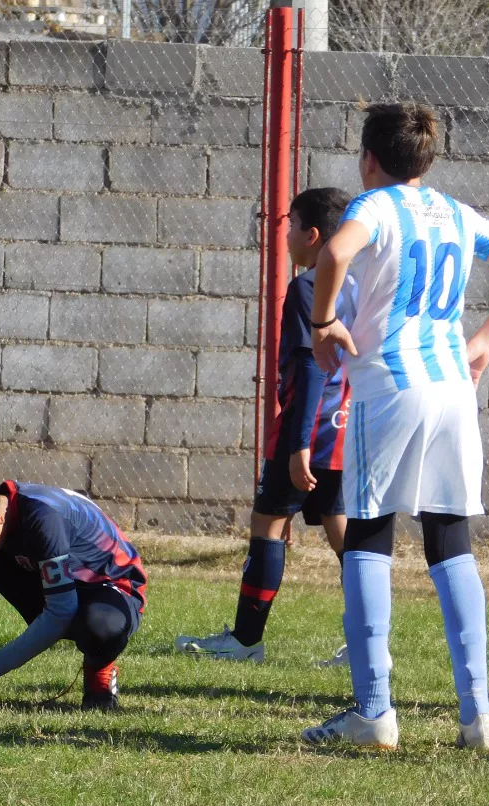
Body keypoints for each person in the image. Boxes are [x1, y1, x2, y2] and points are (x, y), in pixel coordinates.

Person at [299, 102, 489, 751]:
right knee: (450, 541)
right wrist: (486, 340)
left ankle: (374, 712)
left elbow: (333, 253)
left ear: (368, 159)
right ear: (428, 159)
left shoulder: (375, 207)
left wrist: (324, 321)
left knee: (367, 537)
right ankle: (480, 718)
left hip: (390, 387)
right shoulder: (452, 212)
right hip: (450, 391)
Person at [175, 187, 355, 664]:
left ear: (312, 235)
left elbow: (313, 366)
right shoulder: (359, 286)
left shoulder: (308, 288)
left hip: (308, 431)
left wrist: (296, 446)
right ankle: (364, 643)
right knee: (343, 533)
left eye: (291, 225)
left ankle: (246, 641)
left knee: (268, 523)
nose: (287, 235)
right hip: (346, 433)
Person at [0, 479, 146, 711]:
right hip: (49, 580)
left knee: (100, 626)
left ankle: (99, 671)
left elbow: (61, 611)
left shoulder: (42, 518)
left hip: (109, 586)